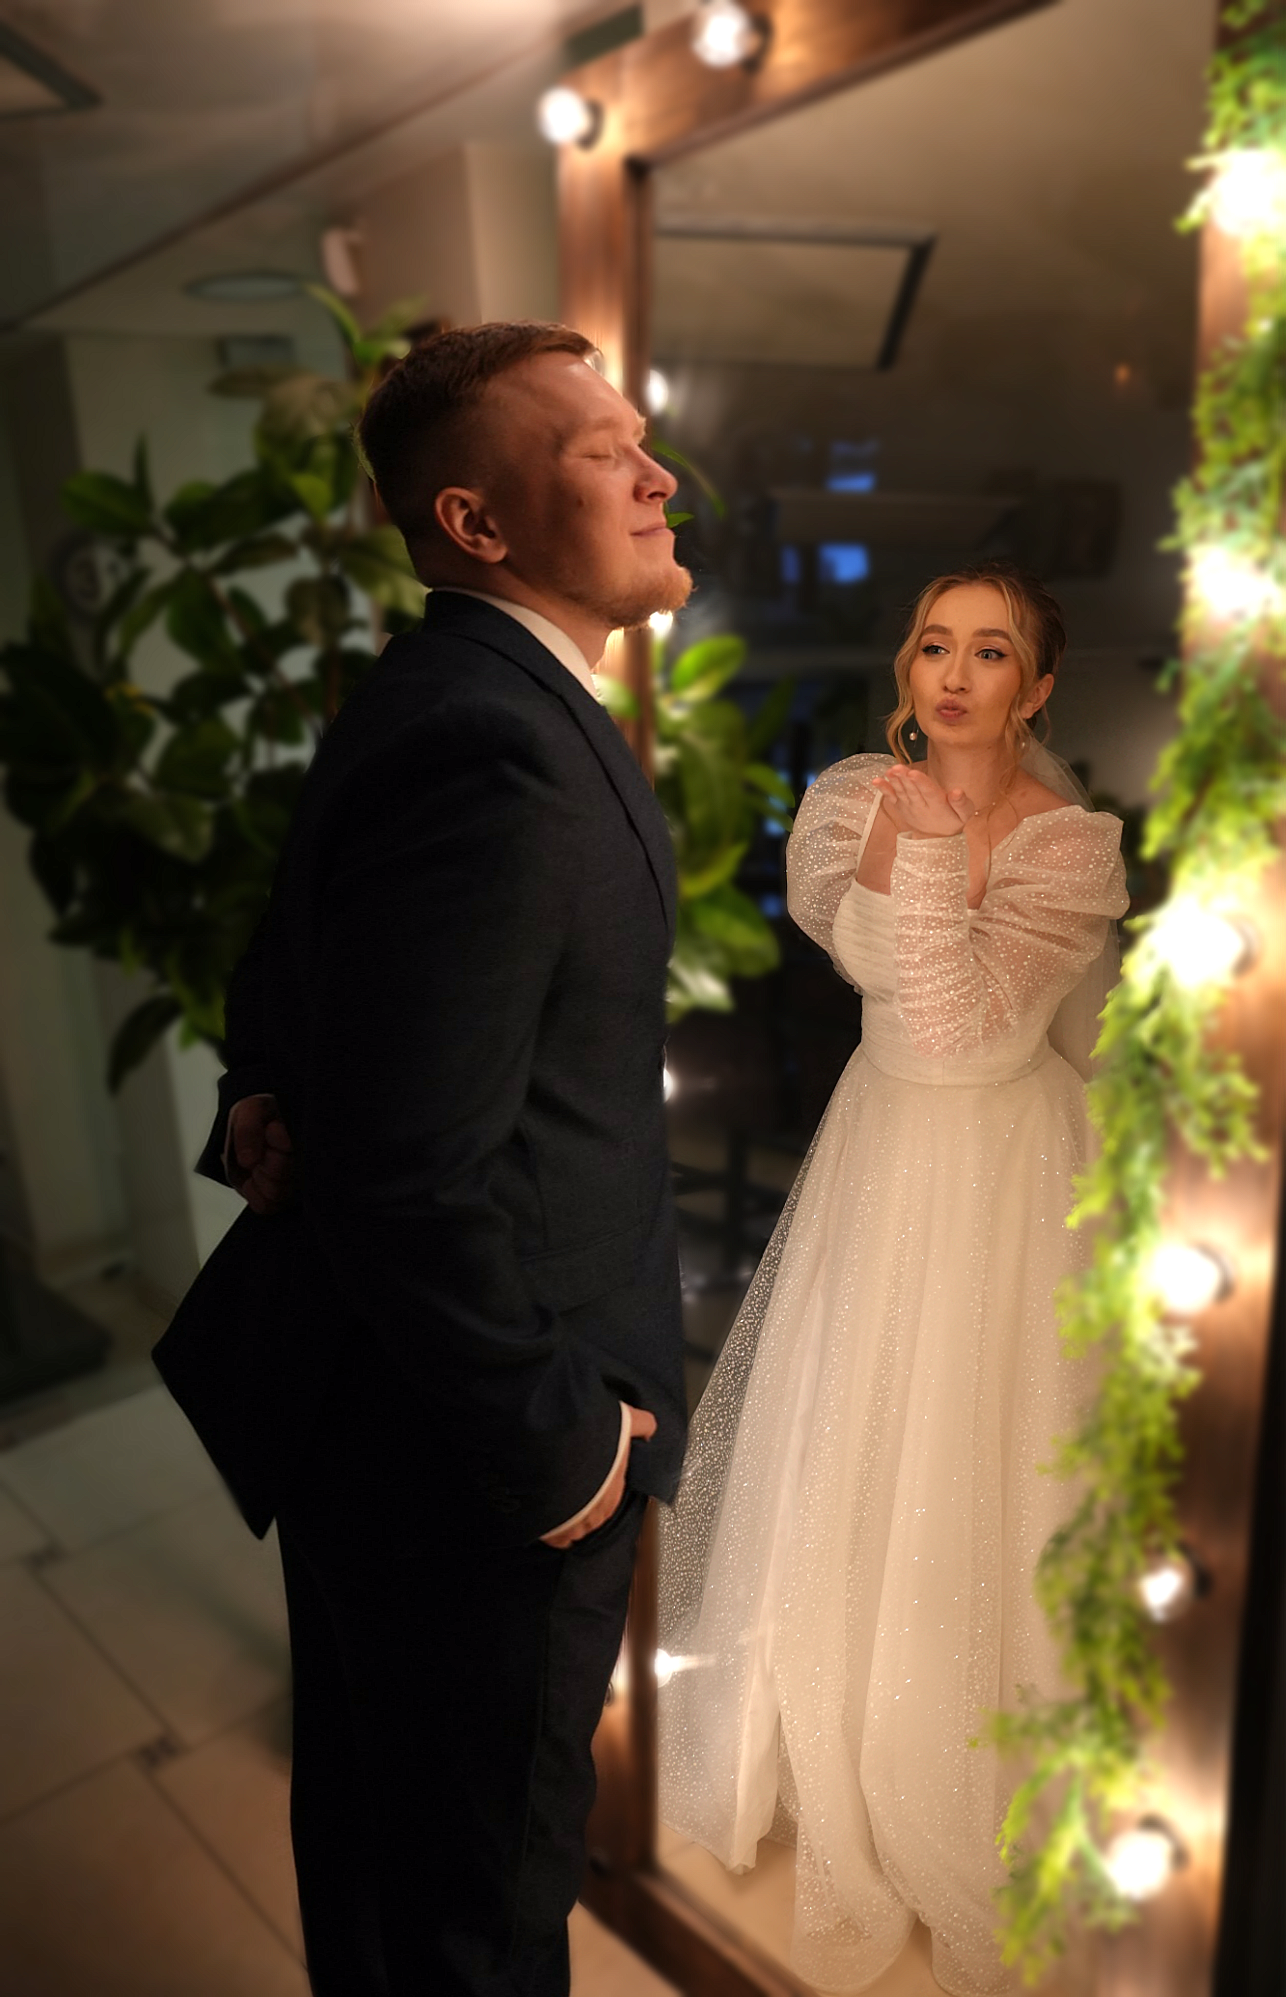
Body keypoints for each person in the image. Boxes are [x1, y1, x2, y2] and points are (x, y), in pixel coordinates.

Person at [153, 321, 692, 1997]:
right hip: (477, 1456)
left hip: (383, 1422)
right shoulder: (498, 739)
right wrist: (561, 1450)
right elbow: (407, 1176)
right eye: (605, 449)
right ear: (475, 522)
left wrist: (265, 1088)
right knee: (480, 1910)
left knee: (386, 1858)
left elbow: (289, 946)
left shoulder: (432, 691)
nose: (658, 473)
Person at [657, 565, 1130, 1997]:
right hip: (883, 1146)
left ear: (1036, 687)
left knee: (985, 1446)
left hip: (1005, 1164)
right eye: (934, 644)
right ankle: (829, 1727)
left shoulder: (1066, 847)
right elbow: (876, 985)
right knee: (847, 1428)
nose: (955, 673)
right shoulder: (850, 801)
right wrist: (911, 836)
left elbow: (971, 1027)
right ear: (906, 667)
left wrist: (929, 850)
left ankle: (964, 1760)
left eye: (991, 651)